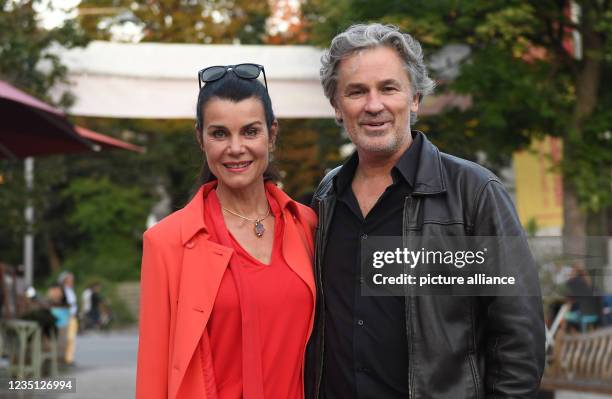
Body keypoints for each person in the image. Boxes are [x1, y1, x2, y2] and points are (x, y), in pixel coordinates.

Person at [305, 24, 545, 398]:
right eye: (356, 91)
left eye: (388, 88)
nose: (373, 105)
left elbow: (519, 337)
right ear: (337, 106)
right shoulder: (325, 197)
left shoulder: (475, 193)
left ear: (414, 98)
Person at [136, 65, 317, 399]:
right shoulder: (166, 242)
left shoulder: (307, 225)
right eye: (220, 133)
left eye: (250, 131)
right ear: (200, 139)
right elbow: (152, 374)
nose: (236, 148)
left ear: (271, 134)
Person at [58, 271, 78, 366]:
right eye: (70, 279)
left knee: (71, 339)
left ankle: (69, 358)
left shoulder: (70, 290)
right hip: (66, 316)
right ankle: (65, 358)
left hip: (72, 316)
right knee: (67, 338)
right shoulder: (62, 290)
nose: (71, 281)